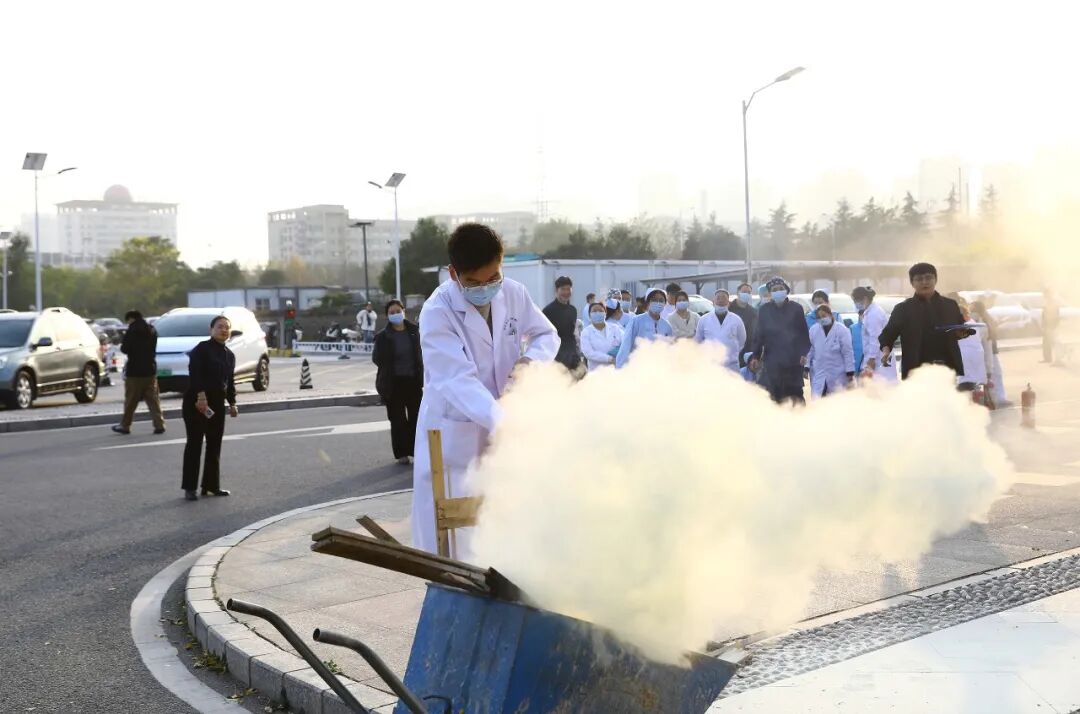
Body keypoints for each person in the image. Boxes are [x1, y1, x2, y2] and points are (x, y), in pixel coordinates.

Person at [412, 223, 558, 555]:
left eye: (493, 278)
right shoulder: (437, 312)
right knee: (458, 542)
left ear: (501, 264)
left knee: (506, 529)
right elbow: (457, 380)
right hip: (454, 434)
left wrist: (529, 363)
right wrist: (505, 421)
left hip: (501, 422)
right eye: (474, 283)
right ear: (453, 273)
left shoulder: (515, 293)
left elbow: (546, 335)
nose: (486, 288)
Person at [879, 262, 972, 380]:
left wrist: (961, 333)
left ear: (935, 280)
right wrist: (886, 351)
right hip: (916, 368)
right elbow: (888, 335)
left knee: (947, 398)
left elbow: (958, 329)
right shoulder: (903, 309)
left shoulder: (950, 305)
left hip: (947, 367)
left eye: (928, 278)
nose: (924, 282)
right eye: (919, 279)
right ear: (912, 283)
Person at [182, 315, 239, 501]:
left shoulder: (229, 355)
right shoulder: (202, 349)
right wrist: (200, 396)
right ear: (211, 329)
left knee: (214, 444)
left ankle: (211, 485)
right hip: (197, 402)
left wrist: (232, 403)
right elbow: (195, 373)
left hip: (216, 404)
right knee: (195, 444)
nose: (224, 330)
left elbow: (229, 382)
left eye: (227, 328)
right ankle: (190, 487)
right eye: (220, 326)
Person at [372, 299, 424, 464]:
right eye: (391, 313)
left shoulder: (415, 331)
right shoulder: (383, 336)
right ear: (387, 316)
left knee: (417, 418)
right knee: (397, 420)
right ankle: (402, 453)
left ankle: (417, 451)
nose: (395, 314)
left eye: (397, 311)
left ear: (404, 311)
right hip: (393, 384)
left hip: (414, 382)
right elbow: (376, 358)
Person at [749, 276, 811, 404]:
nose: (778, 291)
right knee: (772, 394)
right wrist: (755, 355)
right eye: (775, 289)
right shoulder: (764, 310)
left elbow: (803, 334)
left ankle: (800, 420)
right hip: (772, 359)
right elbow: (759, 335)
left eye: (780, 288)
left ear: (786, 290)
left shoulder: (796, 308)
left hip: (793, 360)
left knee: (795, 394)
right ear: (770, 293)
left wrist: (803, 353)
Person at [112, 310, 165, 435]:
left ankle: (125, 426)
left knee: (131, 401)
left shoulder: (131, 331)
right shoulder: (152, 330)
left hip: (134, 371)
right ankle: (159, 424)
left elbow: (125, 349)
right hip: (150, 370)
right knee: (153, 400)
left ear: (131, 318)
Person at [616, 287, 674, 367]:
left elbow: (670, 351)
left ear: (665, 304)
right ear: (648, 302)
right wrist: (620, 368)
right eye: (654, 300)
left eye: (661, 301)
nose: (658, 303)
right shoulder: (636, 321)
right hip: (638, 368)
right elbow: (625, 346)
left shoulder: (667, 326)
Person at [806, 305, 855, 398]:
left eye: (824, 316)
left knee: (836, 402)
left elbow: (847, 352)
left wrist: (850, 371)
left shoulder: (842, 330)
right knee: (817, 401)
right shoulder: (813, 330)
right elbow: (810, 349)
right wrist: (806, 366)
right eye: (819, 318)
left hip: (837, 373)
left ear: (830, 315)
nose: (822, 319)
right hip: (819, 372)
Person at [852, 286, 897, 383]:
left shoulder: (874, 314)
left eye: (855, 300)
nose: (855, 304)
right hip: (876, 356)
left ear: (864, 298)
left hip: (877, 357)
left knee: (881, 386)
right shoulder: (871, 311)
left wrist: (871, 359)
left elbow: (875, 338)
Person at [694, 289, 746, 371]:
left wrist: (730, 354)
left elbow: (741, 341)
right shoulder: (704, 319)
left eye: (724, 298)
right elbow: (698, 341)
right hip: (710, 365)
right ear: (713, 301)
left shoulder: (736, 320)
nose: (721, 300)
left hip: (731, 366)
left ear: (728, 303)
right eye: (718, 298)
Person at [971, 300, 1008, 405]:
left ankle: (985, 400)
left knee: (985, 376)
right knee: (993, 375)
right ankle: (996, 399)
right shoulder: (981, 318)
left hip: (986, 350)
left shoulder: (984, 318)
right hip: (987, 350)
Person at [543, 276, 582, 372]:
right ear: (556, 290)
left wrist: (576, 354)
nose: (566, 292)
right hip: (556, 357)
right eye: (563, 289)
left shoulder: (573, 310)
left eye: (568, 289)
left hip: (572, 356)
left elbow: (572, 334)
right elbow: (545, 336)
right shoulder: (548, 310)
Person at [956, 300, 993, 396]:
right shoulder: (979, 326)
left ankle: (975, 405)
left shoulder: (959, 327)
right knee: (977, 388)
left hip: (967, 366)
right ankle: (979, 405)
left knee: (967, 391)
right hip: (976, 365)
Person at [581, 301, 624, 371]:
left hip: (615, 370)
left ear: (605, 313)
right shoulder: (586, 332)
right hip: (596, 372)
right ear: (589, 315)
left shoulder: (615, 328)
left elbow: (625, 342)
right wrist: (609, 359)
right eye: (594, 311)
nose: (597, 313)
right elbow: (588, 353)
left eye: (600, 311)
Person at [729, 282, 758, 369]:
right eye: (744, 291)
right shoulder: (729, 308)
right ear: (738, 293)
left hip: (747, 353)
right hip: (730, 351)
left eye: (749, 292)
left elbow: (755, 333)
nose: (746, 294)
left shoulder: (753, 312)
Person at [1042, 288, 1060, 363]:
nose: (1044, 295)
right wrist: (1043, 324)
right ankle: (1047, 358)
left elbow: (1056, 314)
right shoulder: (1046, 302)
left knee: (1053, 342)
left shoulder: (1053, 302)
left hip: (1051, 325)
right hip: (1047, 324)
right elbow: (1044, 314)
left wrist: (1054, 325)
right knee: (1045, 342)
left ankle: (1057, 360)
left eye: (1046, 294)